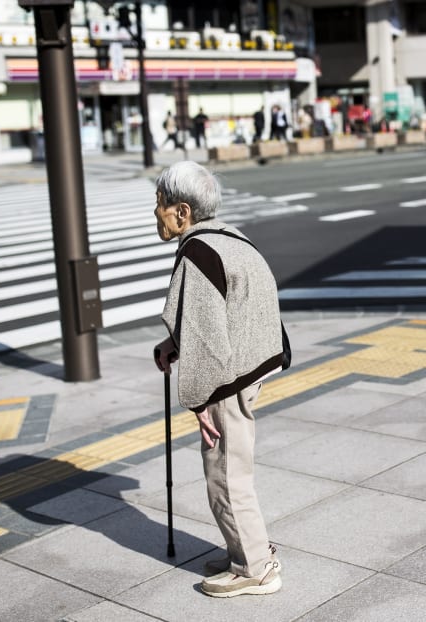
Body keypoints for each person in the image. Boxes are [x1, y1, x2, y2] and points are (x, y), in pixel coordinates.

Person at [152, 161, 285, 599]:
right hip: (251, 365)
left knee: (226, 475)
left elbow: (208, 339)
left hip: (227, 379)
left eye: (161, 203)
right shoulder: (231, 238)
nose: (156, 212)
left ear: (183, 211)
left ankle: (255, 568)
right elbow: (230, 308)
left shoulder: (198, 252)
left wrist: (198, 401)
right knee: (234, 467)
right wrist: (175, 343)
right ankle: (244, 550)